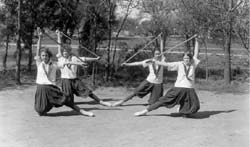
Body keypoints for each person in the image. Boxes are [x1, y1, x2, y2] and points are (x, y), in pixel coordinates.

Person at [34, 28, 94, 117]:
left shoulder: (55, 64)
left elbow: (68, 62)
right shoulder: (39, 63)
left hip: (51, 87)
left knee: (66, 99)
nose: (44, 57)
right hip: (40, 88)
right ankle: (46, 107)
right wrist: (40, 38)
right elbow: (38, 49)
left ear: (49, 56)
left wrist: (80, 64)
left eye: (46, 55)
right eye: (43, 55)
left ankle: (83, 112)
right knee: (40, 111)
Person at [134, 37, 201, 117]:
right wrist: (156, 62)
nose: (186, 59)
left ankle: (183, 111)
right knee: (163, 101)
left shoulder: (193, 65)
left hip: (189, 89)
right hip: (178, 88)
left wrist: (197, 42)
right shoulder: (179, 64)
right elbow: (166, 64)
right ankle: (145, 111)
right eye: (184, 58)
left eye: (187, 58)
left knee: (194, 105)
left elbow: (196, 54)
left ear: (190, 59)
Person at [56, 30, 112, 110]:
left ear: (70, 51)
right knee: (68, 100)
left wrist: (95, 59)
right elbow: (59, 46)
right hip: (65, 81)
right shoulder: (60, 59)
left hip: (75, 80)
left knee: (87, 91)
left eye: (66, 51)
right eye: (63, 51)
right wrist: (58, 35)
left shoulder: (74, 58)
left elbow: (84, 59)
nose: (65, 53)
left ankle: (100, 101)